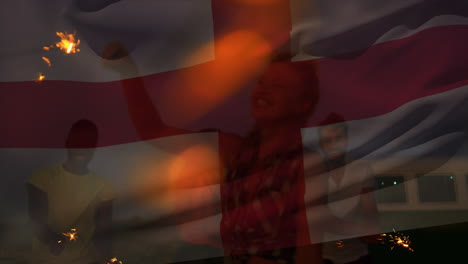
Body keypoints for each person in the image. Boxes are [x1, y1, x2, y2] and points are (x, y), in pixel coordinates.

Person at [102, 43, 324, 264]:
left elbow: (309, 252)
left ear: (303, 104)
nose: (263, 90)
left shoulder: (305, 165)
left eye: (278, 86)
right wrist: (127, 70)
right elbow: (152, 129)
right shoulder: (237, 151)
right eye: (261, 82)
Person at [26, 119, 116, 264]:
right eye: (77, 141)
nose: (82, 147)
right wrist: (52, 240)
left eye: (88, 142)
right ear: (67, 143)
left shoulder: (104, 186)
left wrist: (108, 260)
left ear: (94, 148)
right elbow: (36, 220)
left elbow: (104, 233)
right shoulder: (42, 178)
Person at [317, 113, 380, 264]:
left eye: (338, 139)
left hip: (357, 256)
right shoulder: (314, 174)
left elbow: (370, 210)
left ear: (346, 140)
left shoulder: (360, 168)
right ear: (321, 144)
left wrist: (370, 227)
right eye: (327, 141)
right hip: (323, 257)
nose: (333, 145)